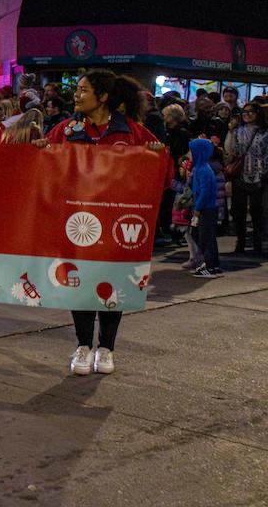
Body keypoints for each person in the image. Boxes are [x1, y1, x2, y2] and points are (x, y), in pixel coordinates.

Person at [43, 69, 165, 376]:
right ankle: (83, 346)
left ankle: (106, 348)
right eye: (78, 90)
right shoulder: (66, 130)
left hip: (118, 226)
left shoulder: (133, 132)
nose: (77, 95)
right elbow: (42, 168)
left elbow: (165, 173)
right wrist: (38, 152)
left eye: (84, 90)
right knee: (80, 285)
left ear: (103, 96)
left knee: (113, 286)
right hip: (77, 223)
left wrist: (155, 157)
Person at [227, 103, 267, 255]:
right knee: (238, 210)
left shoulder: (265, 132)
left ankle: (257, 242)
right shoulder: (238, 131)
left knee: (257, 211)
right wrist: (230, 132)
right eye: (245, 112)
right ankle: (241, 240)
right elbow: (232, 151)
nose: (247, 114)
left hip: (259, 175)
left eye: (251, 112)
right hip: (240, 174)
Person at [186, 138, 221, 278]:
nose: (188, 154)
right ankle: (212, 265)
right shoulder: (200, 168)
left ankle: (210, 266)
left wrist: (198, 209)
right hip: (204, 208)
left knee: (205, 237)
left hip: (206, 209)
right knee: (201, 235)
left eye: (191, 151)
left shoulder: (203, 170)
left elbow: (205, 192)